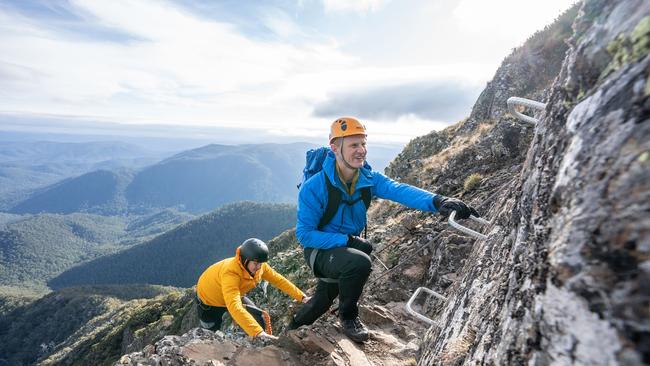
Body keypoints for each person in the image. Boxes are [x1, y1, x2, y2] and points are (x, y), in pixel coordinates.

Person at [290, 117, 479, 342]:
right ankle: (348, 316)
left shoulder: (368, 179)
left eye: (363, 144)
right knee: (359, 262)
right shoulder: (315, 187)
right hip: (318, 250)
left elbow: (399, 190)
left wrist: (438, 201)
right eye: (353, 145)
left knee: (321, 301)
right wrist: (346, 241)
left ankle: (290, 331)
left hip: (343, 249)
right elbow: (304, 234)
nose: (361, 151)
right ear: (335, 148)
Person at [196, 238, 310, 340]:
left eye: (261, 263)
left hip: (233, 294)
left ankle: (263, 341)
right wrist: (257, 332)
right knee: (210, 333)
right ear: (245, 260)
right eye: (256, 264)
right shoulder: (231, 274)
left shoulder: (259, 266)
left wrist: (302, 297)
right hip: (209, 302)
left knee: (257, 316)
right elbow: (234, 306)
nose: (259, 267)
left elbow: (279, 280)